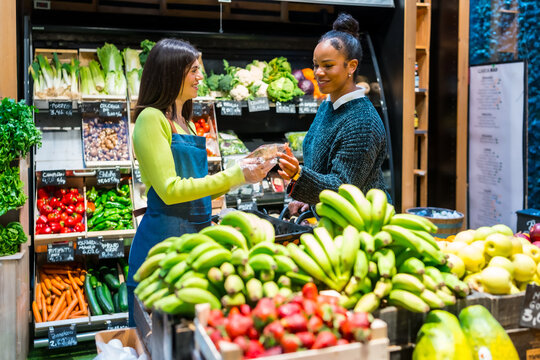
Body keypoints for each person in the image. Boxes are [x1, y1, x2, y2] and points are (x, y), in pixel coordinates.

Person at [128, 38, 273, 324]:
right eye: (193, 70)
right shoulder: (151, 119)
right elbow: (170, 191)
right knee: (154, 342)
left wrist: (242, 168)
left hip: (194, 240)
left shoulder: (186, 121)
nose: (200, 76)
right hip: (161, 245)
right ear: (171, 72)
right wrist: (235, 175)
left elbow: (197, 182)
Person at [277, 13, 390, 215]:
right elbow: (322, 168)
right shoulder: (327, 106)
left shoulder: (362, 121)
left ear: (351, 66)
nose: (318, 72)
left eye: (328, 66)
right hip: (334, 219)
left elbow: (343, 188)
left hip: (364, 224)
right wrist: (308, 200)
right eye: (316, 65)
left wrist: (298, 175)